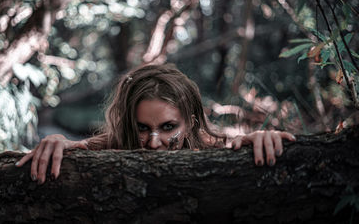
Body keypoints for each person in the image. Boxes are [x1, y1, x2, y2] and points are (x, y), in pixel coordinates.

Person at [16, 63, 295, 184]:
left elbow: (232, 142)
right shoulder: (118, 142)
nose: (152, 142)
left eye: (168, 127)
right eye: (142, 128)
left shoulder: (213, 146)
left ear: (192, 123)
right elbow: (79, 144)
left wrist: (260, 139)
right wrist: (57, 142)